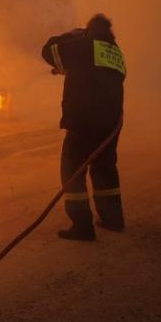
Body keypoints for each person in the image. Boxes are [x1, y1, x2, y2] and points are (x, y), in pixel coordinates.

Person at [41, 14, 126, 241]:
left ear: (88, 31)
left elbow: (49, 50)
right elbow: (99, 76)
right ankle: (113, 220)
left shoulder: (84, 44)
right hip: (110, 122)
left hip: (84, 119)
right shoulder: (115, 52)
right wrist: (72, 69)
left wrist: (71, 35)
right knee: (105, 168)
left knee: (72, 170)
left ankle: (82, 227)